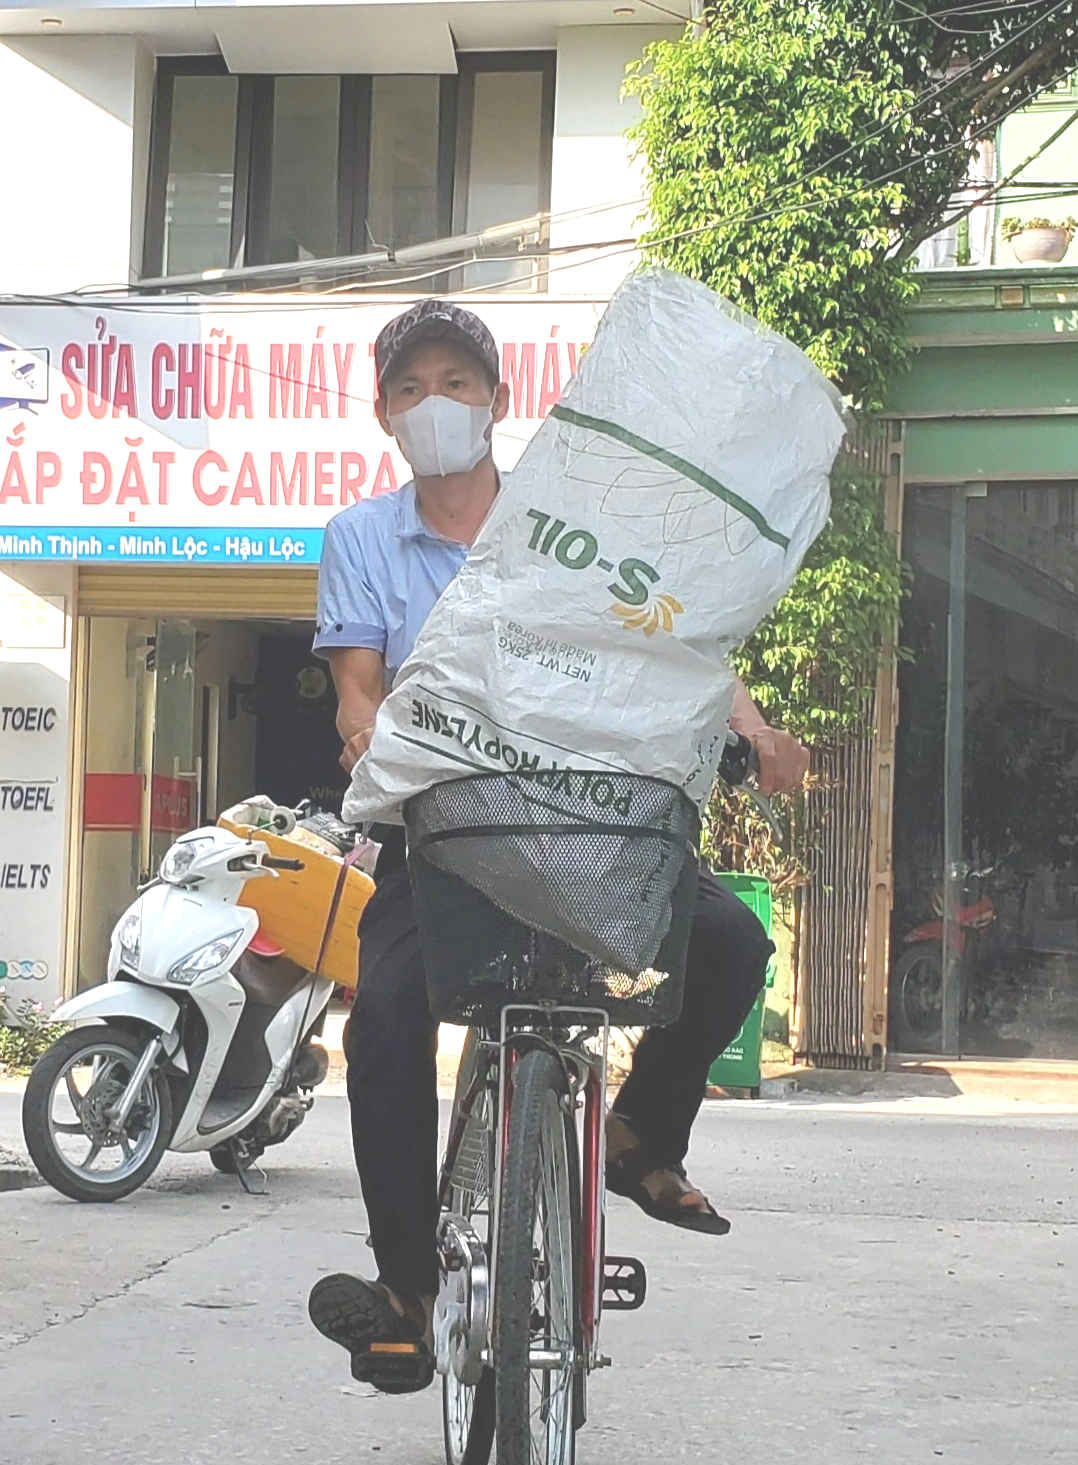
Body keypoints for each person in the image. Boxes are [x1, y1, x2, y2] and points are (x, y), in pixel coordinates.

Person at [304, 299, 805, 1395]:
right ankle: (405, 1292)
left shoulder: (564, 521)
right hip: (445, 833)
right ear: (385, 413)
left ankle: (638, 1135)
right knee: (384, 1017)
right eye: (412, 385)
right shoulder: (360, 539)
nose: (438, 402)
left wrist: (759, 731)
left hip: (589, 825)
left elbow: (671, 643)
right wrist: (365, 740)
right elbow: (358, 692)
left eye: (459, 380)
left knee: (726, 947)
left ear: (498, 399)